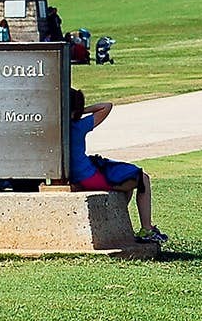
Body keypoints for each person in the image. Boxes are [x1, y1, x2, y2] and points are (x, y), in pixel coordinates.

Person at [68, 89, 167, 243]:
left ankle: (116, 225)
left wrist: (69, 112)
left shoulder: (57, 129)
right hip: (89, 177)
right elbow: (106, 106)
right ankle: (147, 229)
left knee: (126, 182)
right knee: (142, 179)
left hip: (78, 175)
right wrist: (81, 111)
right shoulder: (78, 126)